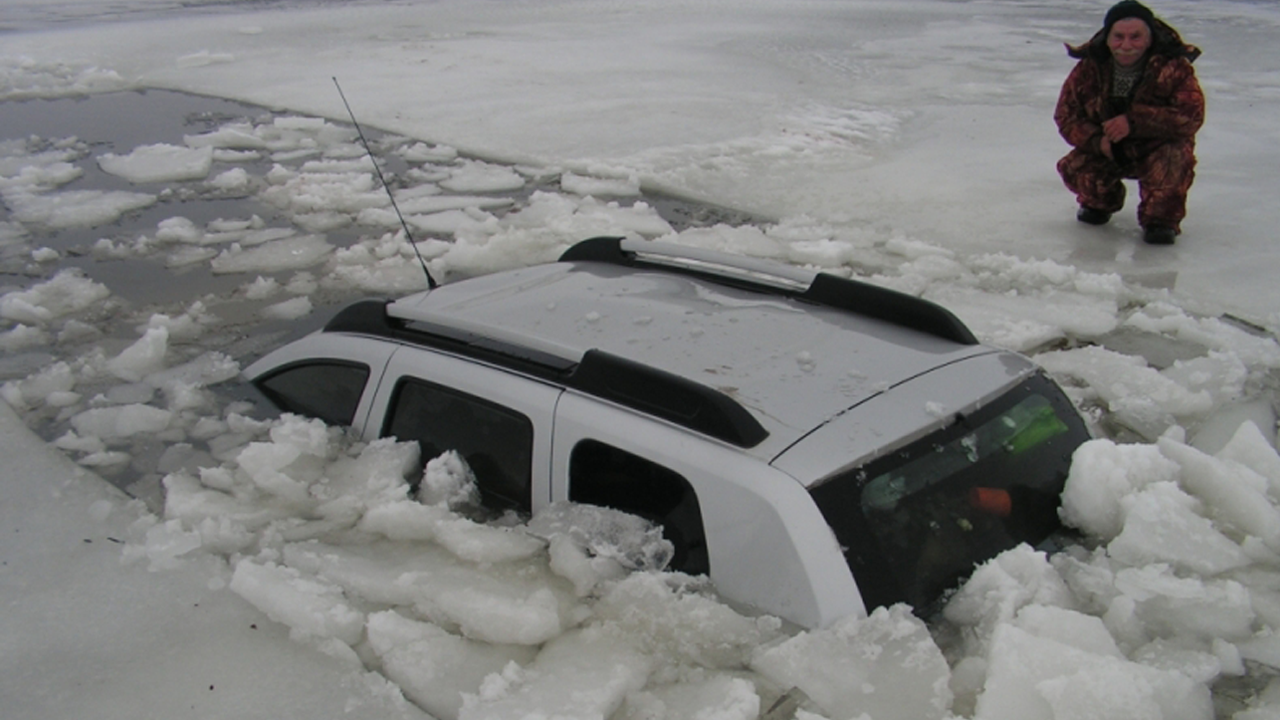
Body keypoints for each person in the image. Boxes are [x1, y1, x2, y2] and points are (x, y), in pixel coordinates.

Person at [1054, 1, 1204, 245]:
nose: (1126, 45)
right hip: (1109, 147)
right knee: (1074, 167)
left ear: (1149, 37)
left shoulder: (1174, 68)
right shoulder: (1088, 68)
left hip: (1157, 149)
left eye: (1135, 37)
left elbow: (1191, 115)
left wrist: (1134, 122)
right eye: (1118, 37)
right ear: (1107, 37)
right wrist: (1097, 141)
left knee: (1174, 159)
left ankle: (1160, 221)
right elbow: (1066, 115)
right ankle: (1100, 203)